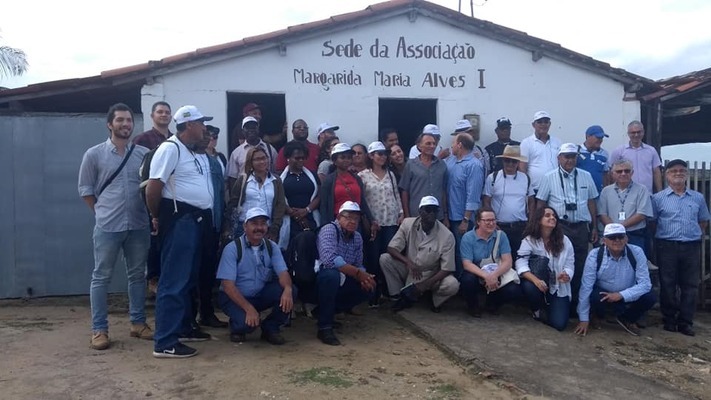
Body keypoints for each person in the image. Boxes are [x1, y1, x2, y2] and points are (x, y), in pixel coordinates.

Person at [78, 103, 152, 350]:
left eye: (129, 120)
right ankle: (99, 330)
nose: (125, 124)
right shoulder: (94, 154)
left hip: (139, 224)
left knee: (137, 276)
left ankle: (138, 323)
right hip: (108, 226)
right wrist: (100, 212)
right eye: (120, 120)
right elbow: (86, 190)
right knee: (101, 277)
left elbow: (150, 187)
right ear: (110, 124)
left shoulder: (143, 154)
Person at [145, 105, 215, 358]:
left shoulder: (193, 152)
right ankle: (165, 341)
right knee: (173, 280)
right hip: (180, 219)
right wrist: (157, 216)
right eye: (201, 123)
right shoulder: (170, 148)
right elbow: (153, 188)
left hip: (197, 220)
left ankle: (183, 328)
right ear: (188, 125)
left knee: (187, 279)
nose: (204, 128)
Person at [216, 207, 296, 345]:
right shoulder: (232, 248)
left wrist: (288, 290)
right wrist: (249, 309)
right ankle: (237, 327)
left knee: (291, 290)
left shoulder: (272, 247)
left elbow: (283, 273)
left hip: (259, 295)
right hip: (233, 298)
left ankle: (270, 328)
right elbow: (228, 286)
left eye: (263, 223)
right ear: (245, 226)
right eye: (254, 223)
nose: (259, 228)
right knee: (247, 325)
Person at [652, 159, 710, 336]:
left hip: (691, 246)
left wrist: (690, 234)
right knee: (668, 283)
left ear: (687, 174)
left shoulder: (697, 198)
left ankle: (685, 321)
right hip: (666, 246)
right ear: (667, 175)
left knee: (690, 285)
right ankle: (669, 319)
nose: (678, 173)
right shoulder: (658, 198)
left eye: (682, 171)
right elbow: (653, 223)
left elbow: (703, 221)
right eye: (673, 171)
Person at [536, 142, 599, 306]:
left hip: (580, 227)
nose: (569, 160)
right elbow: (541, 203)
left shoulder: (586, 176)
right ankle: (555, 300)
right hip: (559, 227)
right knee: (556, 262)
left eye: (573, 156)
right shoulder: (548, 177)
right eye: (566, 156)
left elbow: (592, 202)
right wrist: (539, 226)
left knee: (579, 265)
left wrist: (594, 226)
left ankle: (576, 303)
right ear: (559, 158)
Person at [380, 196, 460, 313]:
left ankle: (435, 301)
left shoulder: (447, 235)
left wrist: (425, 284)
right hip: (411, 269)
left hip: (432, 273)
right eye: (428, 210)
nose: (431, 214)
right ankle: (398, 295)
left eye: (435, 210)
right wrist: (408, 262)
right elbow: (392, 248)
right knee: (385, 259)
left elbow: (447, 268)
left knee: (452, 284)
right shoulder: (408, 224)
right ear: (420, 211)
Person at [574, 223, 655, 337]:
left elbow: (645, 284)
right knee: (594, 295)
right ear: (604, 240)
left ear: (626, 239)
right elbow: (586, 286)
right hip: (603, 295)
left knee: (650, 297)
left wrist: (620, 295)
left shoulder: (637, 252)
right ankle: (596, 316)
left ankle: (627, 319)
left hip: (625, 295)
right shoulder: (595, 255)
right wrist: (583, 319)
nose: (617, 240)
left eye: (620, 237)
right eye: (612, 237)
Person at [316, 201, 376, 345]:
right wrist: (357, 273)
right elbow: (329, 260)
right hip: (321, 278)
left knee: (370, 287)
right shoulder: (329, 229)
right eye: (348, 217)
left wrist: (364, 277)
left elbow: (359, 264)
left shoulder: (357, 237)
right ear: (339, 217)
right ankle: (324, 327)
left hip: (344, 277)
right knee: (331, 276)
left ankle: (327, 313)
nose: (352, 221)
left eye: (356, 218)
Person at [132, 101, 172, 295]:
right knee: (153, 243)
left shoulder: (175, 140)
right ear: (152, 116)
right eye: (160, 112)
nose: (163, 115)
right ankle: (153, 279)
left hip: (172, 201)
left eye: (167, 112)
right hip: (150, 200)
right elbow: (138, 173)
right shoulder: (142, 140)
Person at [516, 207, 575, 331]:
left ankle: (548, 308)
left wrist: (566, 274)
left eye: (554, 216)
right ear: (538, 220)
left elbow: (570, 264)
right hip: (538, 284)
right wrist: (535, 280)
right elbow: (520, 263)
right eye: (547, 215)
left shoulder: (565, 241)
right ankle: (536, 309)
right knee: (528, 286)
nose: (552, 218)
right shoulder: (529, 240)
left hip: (558, 286)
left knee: (559, 324)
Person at [359, 141, 404, 305]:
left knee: (388, 256)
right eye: (379, 154)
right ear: (371, 156)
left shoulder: (390, 174)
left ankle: (387, 290)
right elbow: (362, 200)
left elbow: (395, 194)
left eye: (384, 153)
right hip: (374, 222)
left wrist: (401, 213)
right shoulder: (363, 175)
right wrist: (368, 220)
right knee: (373, 257)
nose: (382, 157)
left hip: (390, 220)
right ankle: (372, 293)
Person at [193, 131, 227, 329]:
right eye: (203, 134)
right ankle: (188, 317)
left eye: (210, 135)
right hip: (191, 225)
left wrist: (222, 223)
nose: (206, 138)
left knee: (207, 272)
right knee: (190, 272)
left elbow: (221, 192)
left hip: (212, 224)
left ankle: (206, 313)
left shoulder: (215, 162)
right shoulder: (187, 159)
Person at [459, 207, 521, 316]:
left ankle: (493, 303)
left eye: (493, 220)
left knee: (513, 289)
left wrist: (494, 275)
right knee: (467, 280)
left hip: (496, 272)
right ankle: (473, 307)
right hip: (477, 273)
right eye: (487, 220)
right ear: (478, 221)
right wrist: (486, 276)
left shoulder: (501, 236)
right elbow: (467, 264)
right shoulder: (468, 237)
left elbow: (507, 261)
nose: (491, 223)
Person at [482, 145, 534, 257]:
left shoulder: (525, 178)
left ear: (518, 162)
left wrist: (531, 222)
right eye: (507, 160)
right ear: (502, 161)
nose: (510, 164)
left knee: (519, 258)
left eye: (514, 161)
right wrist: (492, 221)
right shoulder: (493, 178)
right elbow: (486, 201)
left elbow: (531, 200)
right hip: (499, 227)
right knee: (498, 257)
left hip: (520, 227)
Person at [225, 147, 286, 242]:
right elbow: (233, 203)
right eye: (257, 159)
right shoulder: (243, 180)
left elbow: (280, 205)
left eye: (264, 158)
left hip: (266, 228)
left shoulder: (276, 181)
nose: (262, 161)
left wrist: (275, 228)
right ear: (251, 162)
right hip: (244, 227)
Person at [445, 132, 485, 277]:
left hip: (463, 219)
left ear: (459, 145)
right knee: (451, 251)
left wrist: (466, 220)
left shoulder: (474, 165)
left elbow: (473, 195)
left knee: (464, 253)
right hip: (448, 216)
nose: (451, 146)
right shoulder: (451, 161)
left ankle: (465, 285)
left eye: (453, 143)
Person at [319, 143, 377, 235]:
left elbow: (362, 201)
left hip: (356, 223)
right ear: (334, 160)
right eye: (342, 157)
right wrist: (325, 227)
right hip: (337, 223)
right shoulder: (329, 180)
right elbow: (324, 205)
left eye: (349, 157)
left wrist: (371, 220)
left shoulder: (356, 178)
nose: (346, 160)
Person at [597, 159, 653, 250]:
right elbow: (602, 214)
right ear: (612, 173)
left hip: (635, 235)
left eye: (627, 171)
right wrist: (615, 230)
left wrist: (619, 228)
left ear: (632, 173)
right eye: (619, 171)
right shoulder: (606, 191)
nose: (623, 174)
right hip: (612, 236)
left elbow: (642, 214)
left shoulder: (642, 189)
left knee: (636, 261)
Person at [278, 140, 321, 248]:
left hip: (310, 219)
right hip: (290, 221)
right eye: (297, 158)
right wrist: (295, 214)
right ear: (288, 158)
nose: (301, 160)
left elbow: (319, 196)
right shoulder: (279, 178)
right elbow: (278, 198)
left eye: (303, 158)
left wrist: (306, 210)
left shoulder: (313, 176)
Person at [399, 131, 449, 223]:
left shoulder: (442, 165)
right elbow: (405, 191)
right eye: (428, 143)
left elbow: (443, 191)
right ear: (419, 146)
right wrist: (407, 215)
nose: (432, 146)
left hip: (437, 215)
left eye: (434, 144)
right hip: (416, 215)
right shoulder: (411, 165)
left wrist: (445, 215)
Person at [608, 121, 662, 194]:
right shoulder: (619, 151)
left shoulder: (651, 150)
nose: (636, 135)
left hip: (646, 193)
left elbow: (656, 172)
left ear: (643, 132)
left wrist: (660, 192)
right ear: (628, 134)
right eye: (633, 132)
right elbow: (612, 172)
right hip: (625, 194)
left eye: (639, 132)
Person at [226, 116, 278, 188]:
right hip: (245, 194)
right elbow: (233, 179)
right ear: (242, 131)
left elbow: (276, 173)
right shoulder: (236, 153)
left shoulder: (270, 149)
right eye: (247, 128)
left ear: (258, 129)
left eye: (254, 127)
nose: (251, 130)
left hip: (267, 191)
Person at [519, 111, 561, 192]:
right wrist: (526, 188)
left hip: (555, 189)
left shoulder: (557, 142)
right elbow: (522, 168)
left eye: (546, 122)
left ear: (550, 124)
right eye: (539, 122)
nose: (543, 125)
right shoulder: (526, 143)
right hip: (534, 189)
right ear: (533, 125)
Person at [577, 125, 610, 193]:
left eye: (601, 138)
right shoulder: (576, 151)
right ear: (588, 136)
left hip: (599, 194)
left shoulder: (604, 154)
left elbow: (605, 174)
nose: (600, 140)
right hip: (580, 193)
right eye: (598, 137)